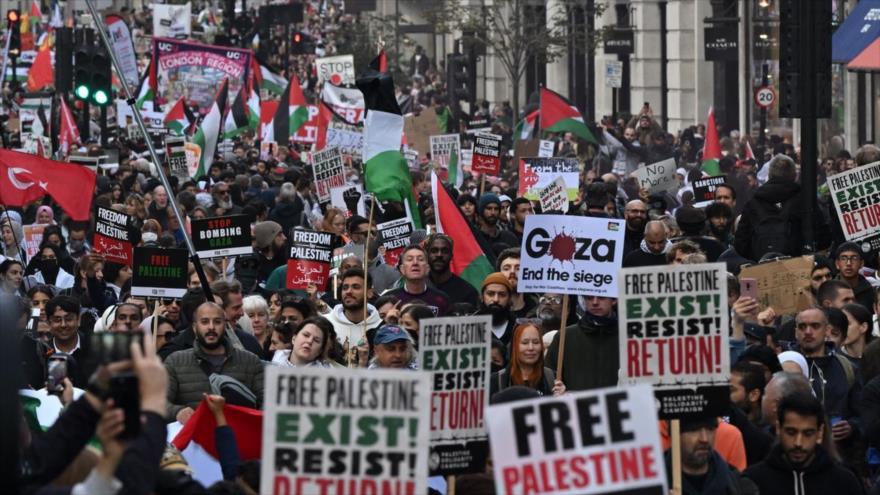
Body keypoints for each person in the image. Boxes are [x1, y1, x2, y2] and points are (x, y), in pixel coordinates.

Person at [165, 302, 265, 424]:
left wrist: (251, 422)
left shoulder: (250, 361)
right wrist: (177, 412)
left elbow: (267, 403)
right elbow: (159, 403)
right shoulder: (176, 362)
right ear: (194, 327)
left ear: (225, 325)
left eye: (217, 322)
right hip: (193, 439)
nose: (211, 327)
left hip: (236, 438)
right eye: (205, 322)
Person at [745, 393, 864, 494]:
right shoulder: (753, 481)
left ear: (819, 433)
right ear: (778, 429)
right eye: (791, 432)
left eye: (808, 433)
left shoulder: (844, 482)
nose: (798, 443)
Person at [735, 154, 830, 261]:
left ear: (769, 175)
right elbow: (823, 237)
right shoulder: (805, 202)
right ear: (794, 175)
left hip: (761, 269)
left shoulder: (753, 203)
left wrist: (757, 256)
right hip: (799, 268)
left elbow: (740, 243)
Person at [793, 307, 861, 442]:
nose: (808, 332)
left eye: (815, 326)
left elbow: (861, 411)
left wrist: (852, 426)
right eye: (802, 326)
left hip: (840, 453)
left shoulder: (847, 367)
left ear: (826, 330)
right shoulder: (786, 364)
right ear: (796, 332)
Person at [663, 416, 759, 495]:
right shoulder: (655, 484)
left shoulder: (740, 486)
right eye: (693, 430)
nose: (704, 439)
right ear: (674, 434)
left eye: (710, 429)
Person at [545, 295, 618, 391]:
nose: (595, 302)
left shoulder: (628, 337)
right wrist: (559, 390)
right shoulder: (565, 336)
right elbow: (547, 378)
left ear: (614, 300)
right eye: (589, 297)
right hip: (574, 405)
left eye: (601, 297)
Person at [489, 323, 565, 397]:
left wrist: (562, 398)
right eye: (525, 343)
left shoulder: (552, 378)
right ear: (515, 346)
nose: (531, 348)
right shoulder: (497, 380)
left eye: (536, 342)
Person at [323, 268, 381, 348]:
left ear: (369, 293)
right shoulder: (325, 324)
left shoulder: (380, 327)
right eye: (345, 288)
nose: (348, 291)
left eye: (356, 287)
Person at [384, 245, 450, 315]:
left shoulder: (442, 299)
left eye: (420, 259)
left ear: (427, 269)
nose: (415, 263)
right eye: (409, 259)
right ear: (402, 269)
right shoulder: (389, 299)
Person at [425, 234, 478, 306]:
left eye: (445, 251)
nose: (439, 255)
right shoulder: (417, 287)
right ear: (427, 255)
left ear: (451, 256)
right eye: (434, 251)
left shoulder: (467, 292)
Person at [271, 317, 336, 368]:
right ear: (294, 339)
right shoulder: (279, 356)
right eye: (306, 335)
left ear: (320, 351)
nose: (309, 341)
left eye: (316, 340)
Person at [835, 242, 875, 315]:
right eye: (843, 258)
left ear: (861, 263)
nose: (849, 263)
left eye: (854, 258)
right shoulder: (830, 291)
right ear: (837, 264)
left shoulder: (871, 291)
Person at [477, 272, 517, 345]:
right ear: (482, 297)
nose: (496, 299)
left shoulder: (517, 327)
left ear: (509, 299)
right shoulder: (471, 325)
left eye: (502, 295)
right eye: (490, 294)